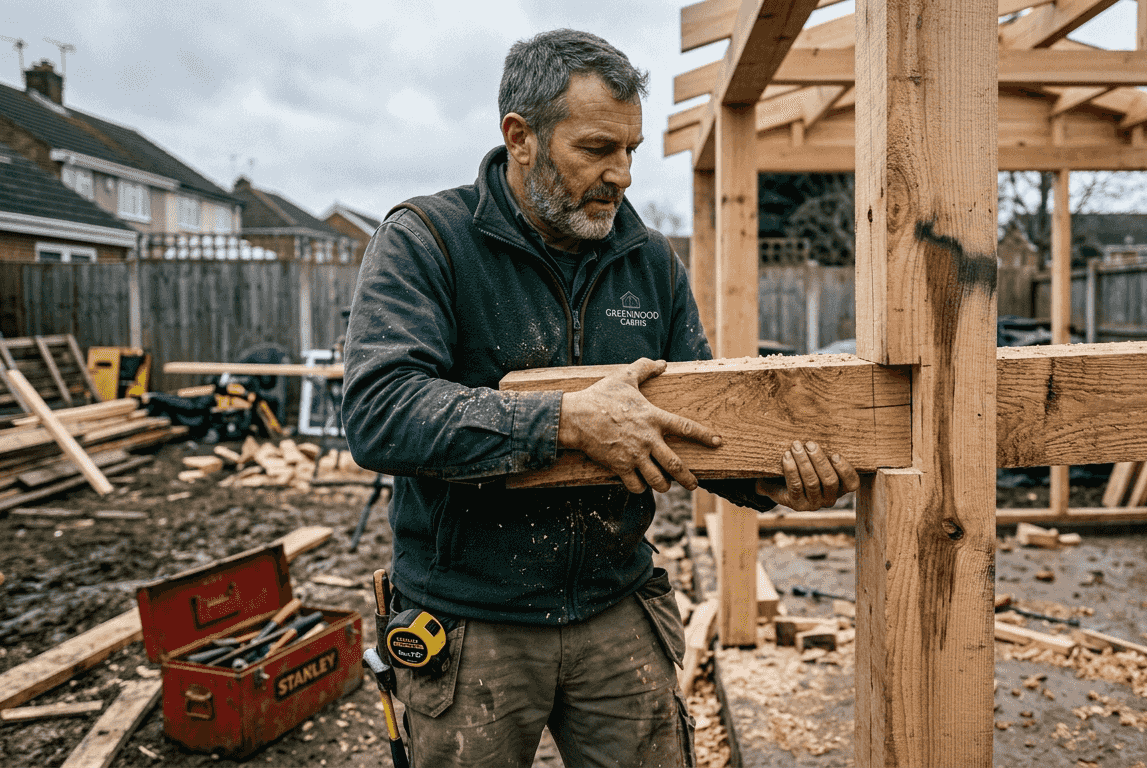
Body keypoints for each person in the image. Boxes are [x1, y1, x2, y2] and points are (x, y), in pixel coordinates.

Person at [343, 29, 860, 768]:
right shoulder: (428, 241)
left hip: (615, 609)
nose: (620, 175)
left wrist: (772, 481)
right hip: (471, 624)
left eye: (631, 151)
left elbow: (701, 418)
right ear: (519, 137)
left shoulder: (646, 261)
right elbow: (380, 411)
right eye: (596, 149)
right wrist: (564, 421)